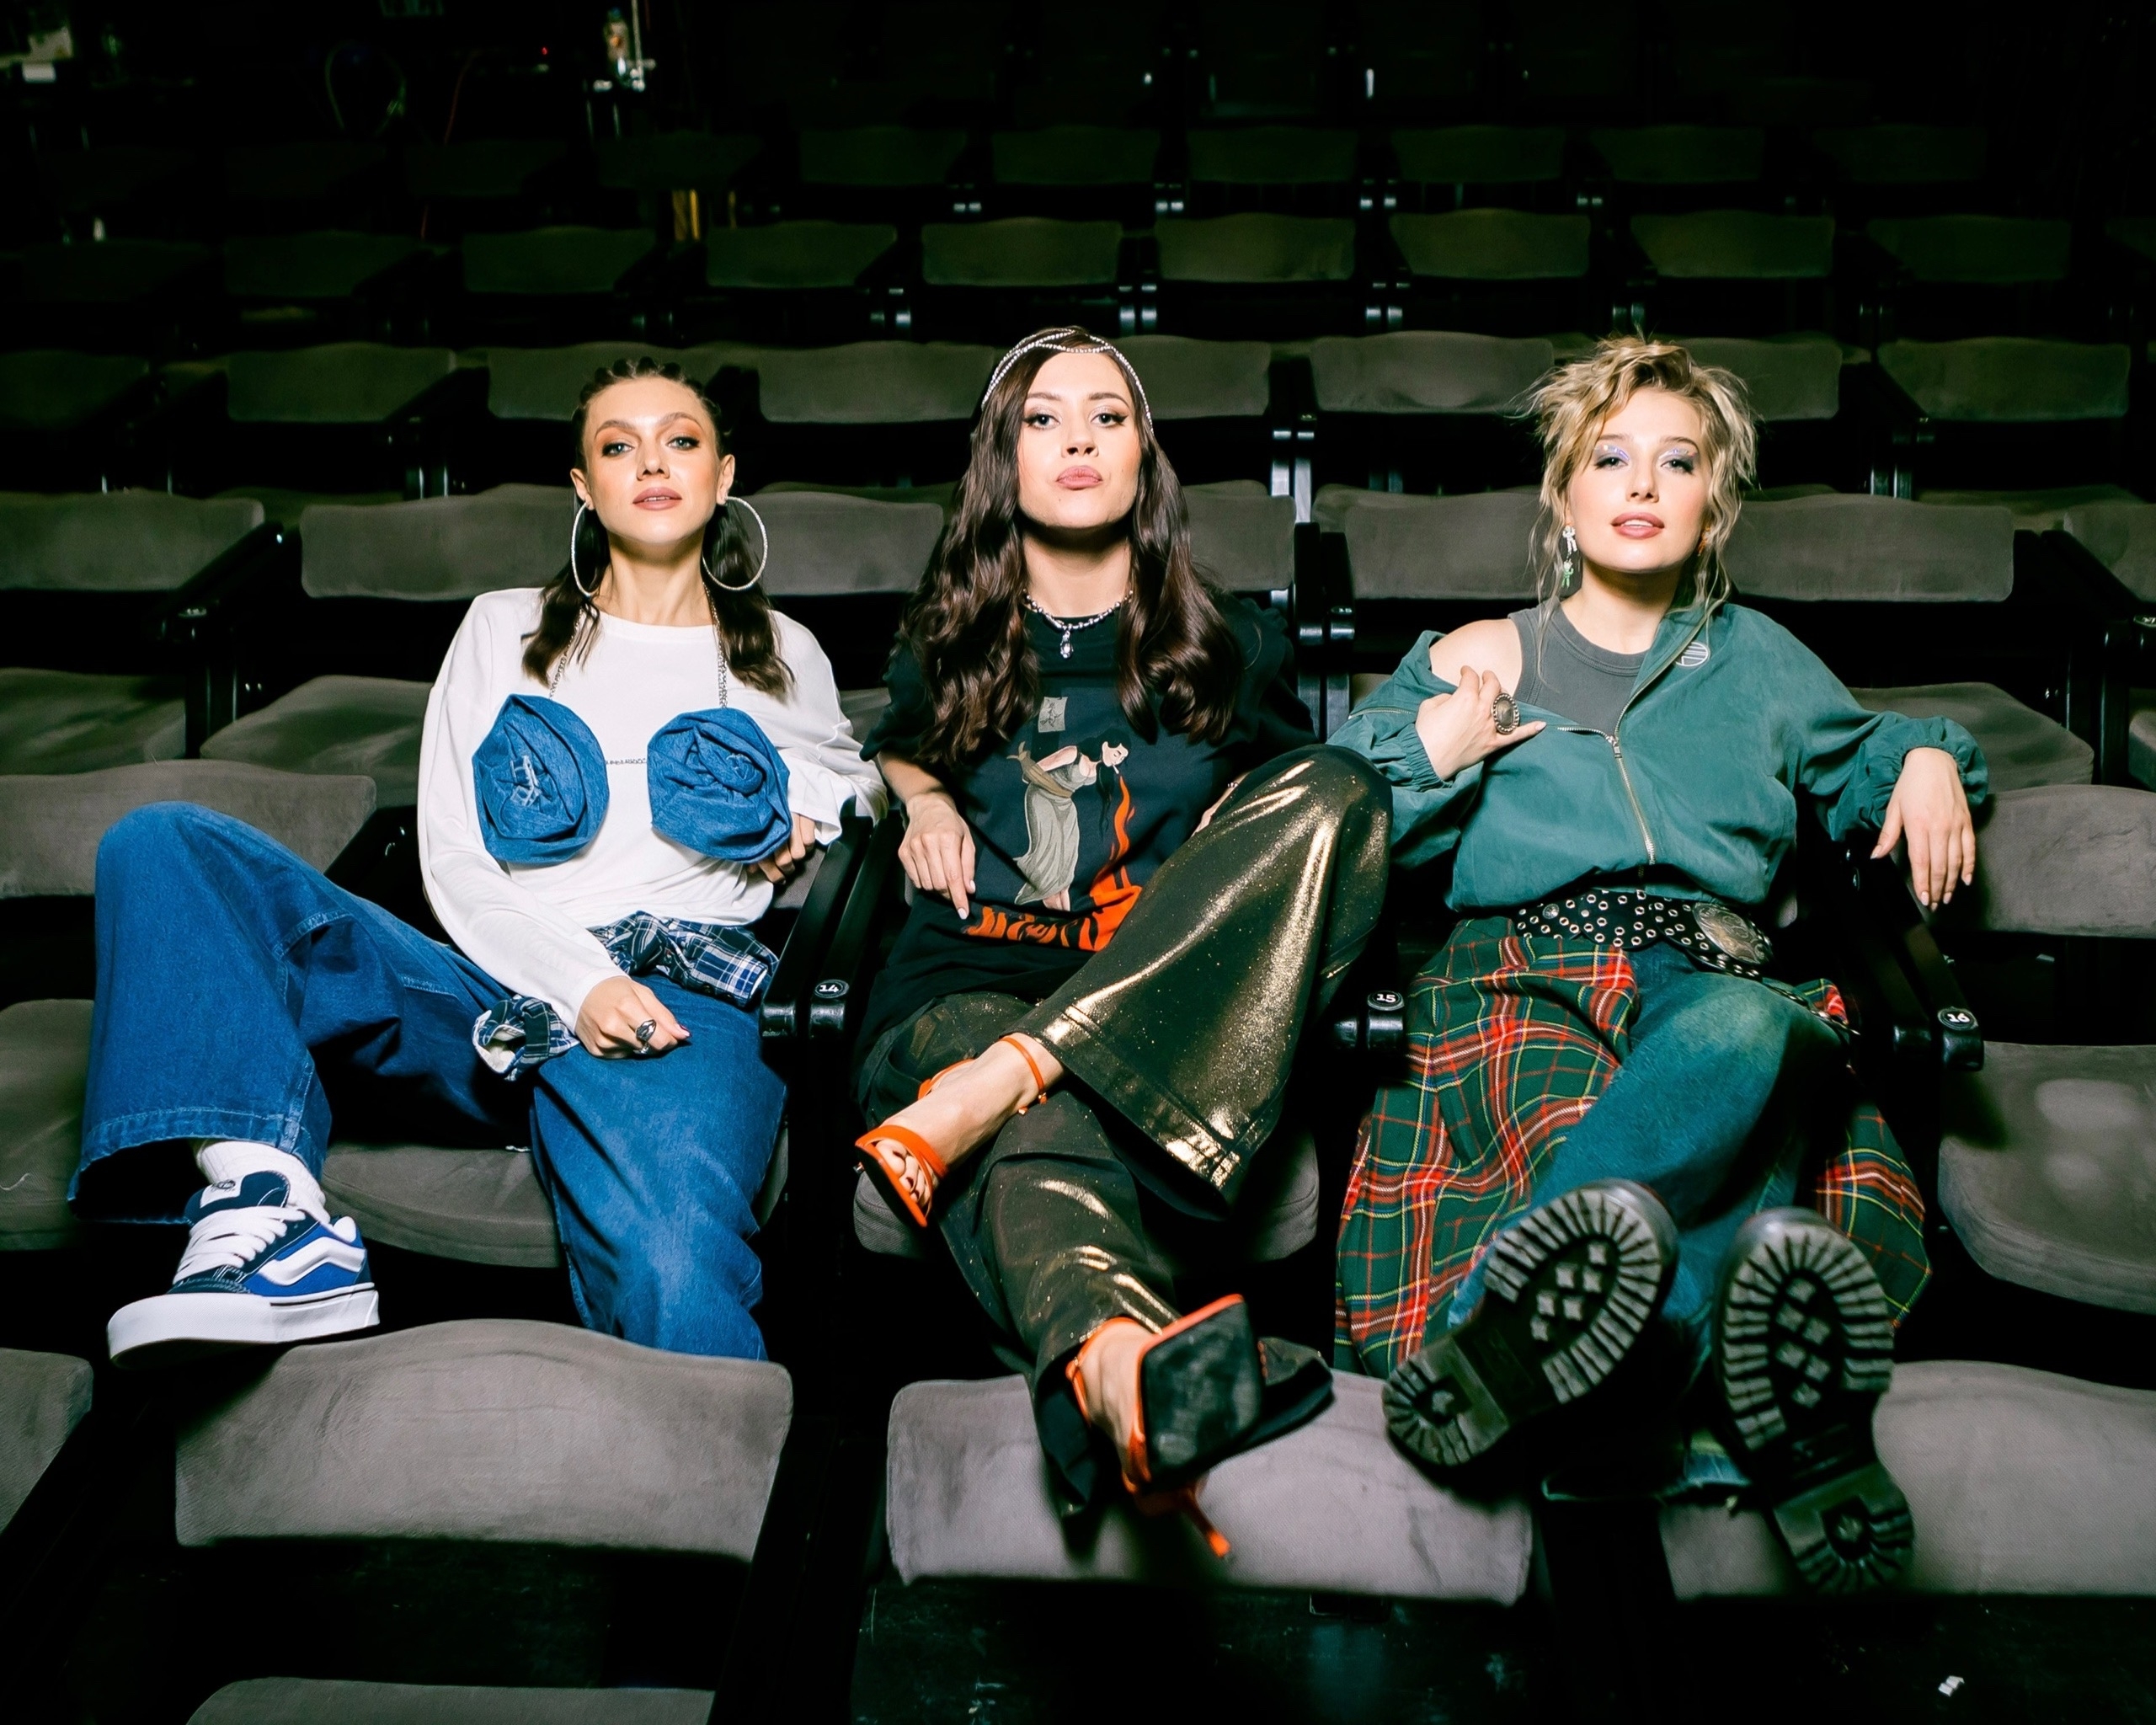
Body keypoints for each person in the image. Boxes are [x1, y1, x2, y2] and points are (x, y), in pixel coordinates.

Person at [1331, 337, 1985, 1592]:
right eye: (1609, 458)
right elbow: (1337, 813)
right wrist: (1434, 741)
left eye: (1676, 462)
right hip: (1527, 976)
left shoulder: (1760, 660)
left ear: (1712, 501)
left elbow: (1864, 755)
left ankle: (1497, 1356)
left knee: (1751, 1035)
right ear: (1563, 493)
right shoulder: (1483, 652)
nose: (1641, 484)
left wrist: (1924, 754)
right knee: (1607, 1166)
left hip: (1716, 969)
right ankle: (1752, 1413)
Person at [76, 356, 884, 1368]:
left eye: (680, 440)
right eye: (618, 446)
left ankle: (716, 1447)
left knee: (674, 1265)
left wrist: (803, 799)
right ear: (584, 487)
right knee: (162, 842)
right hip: (486, 987)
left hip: (672, 1000)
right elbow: (455, 859)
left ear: (723, 476)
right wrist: (576, 981)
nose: (652, 464)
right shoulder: (504, 628)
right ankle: (270, 1208)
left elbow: (858, 788)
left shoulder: (782, 648)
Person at [850, 328, 1386, 1549]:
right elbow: (891, 744)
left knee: (1344, 788)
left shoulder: (1229, 642)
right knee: (1048, 1124)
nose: (1078, 439)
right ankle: (1121, 1365)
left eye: (1108, 415)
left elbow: (1304, 831)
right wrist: (921, 796)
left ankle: (1017, 1107)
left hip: (1151, 1032)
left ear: (1146, 454)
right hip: (961, 990)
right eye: (1043, 418)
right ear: (1005, 457)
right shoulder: (950, 634)